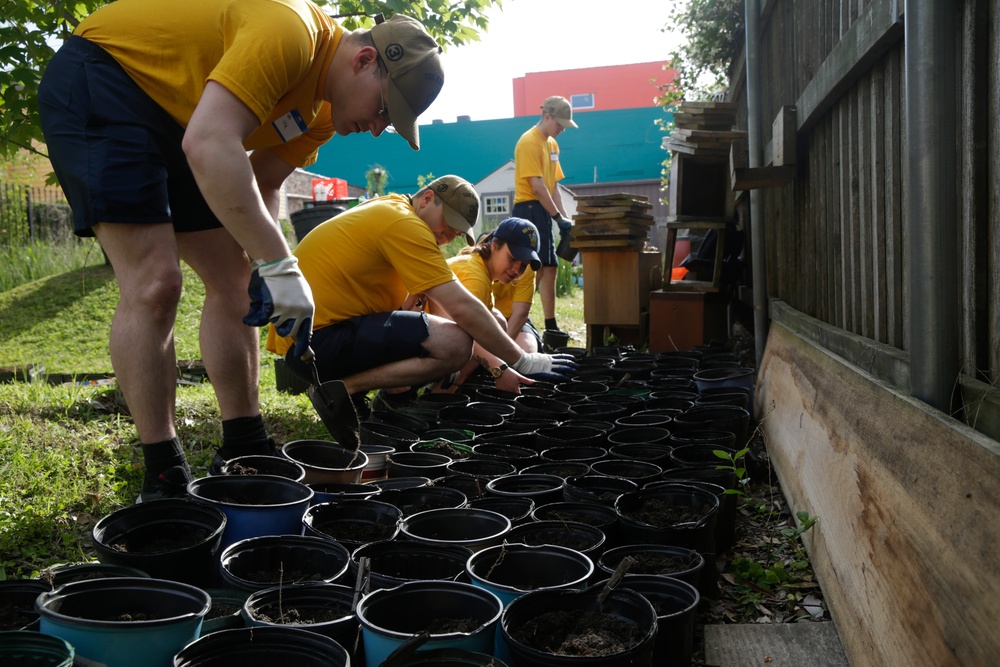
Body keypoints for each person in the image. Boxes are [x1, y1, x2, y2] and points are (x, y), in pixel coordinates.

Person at [37, 0, 445, 501]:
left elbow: (262, 182)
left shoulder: (318, 115)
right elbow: (211, 143)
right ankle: (163, 473)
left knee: (235, 284)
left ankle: (244, 444)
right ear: (363, 60)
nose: (380, 127)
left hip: (190, 122)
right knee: (156, 283)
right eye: (385, 109)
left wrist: (263, 263)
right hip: (106, 79)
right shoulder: (290, 29)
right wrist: (281, 262)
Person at [268, 175, 576, 406]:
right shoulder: (405, 225)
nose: (449, 235)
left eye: (457, 232)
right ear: (427, 198)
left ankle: (360, 394)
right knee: (456, 343)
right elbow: (461, 308)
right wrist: (521, 360)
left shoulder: (393, 208)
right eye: (448, 223)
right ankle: (341, 390)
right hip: (314, 345)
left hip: (314, 338)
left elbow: (427, 304)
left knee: (432, 338)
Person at [427, 217, 543, 391]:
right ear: (494, 246)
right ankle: (438, 395)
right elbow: (470, 332)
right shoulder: (476, 277)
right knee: (472, 336)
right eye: (512, 259)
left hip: (433, 329)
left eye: (524, 265)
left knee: (497, 320)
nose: (516, 270)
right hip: (417, 336)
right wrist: (501, 369)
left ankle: (452, 386)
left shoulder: (481, 268)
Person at [512, 95, 578, 336]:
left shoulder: (552, 145)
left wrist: (564, 219)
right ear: (547, 116)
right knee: (531, 268)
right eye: (559, 123)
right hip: (528, 208)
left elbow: (552, 187)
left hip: (543, 208)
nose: (562, 129)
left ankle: (551, 326)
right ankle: (518, 318)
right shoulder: (529, 141)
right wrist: (557, 217)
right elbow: (537, 186)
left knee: (550, 267)